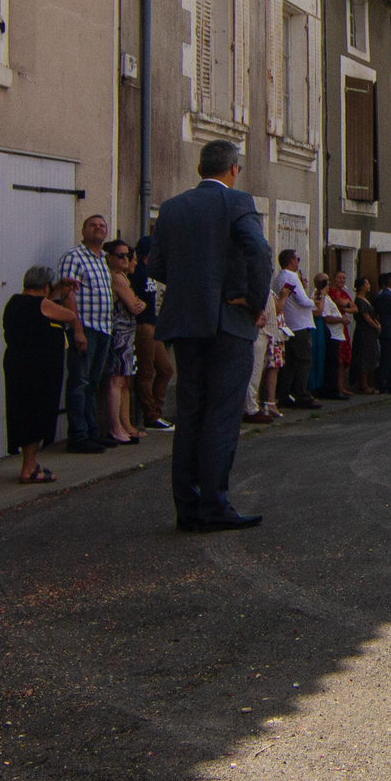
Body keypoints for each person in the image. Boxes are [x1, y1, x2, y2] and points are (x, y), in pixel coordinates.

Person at [152, 138, 273, 530]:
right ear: (233, 169)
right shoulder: (237, 203)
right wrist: (254, 301)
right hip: (228, 323)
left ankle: (187, 508)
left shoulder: (171, 208)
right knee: (221, 417)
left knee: (190, 416)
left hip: (186, 324)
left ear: (199, 169)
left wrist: (190, 288)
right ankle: (215, 506)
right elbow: (258, 250)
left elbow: (155, 265)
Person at [2, 266, 73, 485]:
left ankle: (29, 463)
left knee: (21, 413)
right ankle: (29, 467)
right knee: (36, 414)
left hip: (16, 363)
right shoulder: (42, 304)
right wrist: (66, 292)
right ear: (45, 287)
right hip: (38, 367)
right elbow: (70, 315)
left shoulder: (13, 302)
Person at [56, 214, 116, 452]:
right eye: (93, 225)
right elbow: (67, 294)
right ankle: (78, 436)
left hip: (103, 328)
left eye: (102, 226)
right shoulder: (74, 257)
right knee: (79, 382)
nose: (98, 229)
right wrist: (77, 330)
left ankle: (92, 432)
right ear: (83, 231)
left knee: (92, 383)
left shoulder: (103, 259)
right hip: (86, 328)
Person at [129, 236, 173, 432]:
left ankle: (156, 409)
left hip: (153, 323)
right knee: (146, 371)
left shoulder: (151, 272)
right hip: (142, 325)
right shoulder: (138, 272)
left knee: (165, 369)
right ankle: (151, 415)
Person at [104, 238, 146, 442]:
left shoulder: (123, 278)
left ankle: (125, 424)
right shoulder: (117, 278)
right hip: (119, 333)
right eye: (122, 256)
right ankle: (116, 427)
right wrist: (138, 302)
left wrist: (139, 303)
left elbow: (140, 304)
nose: (128, 261)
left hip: (127, 334)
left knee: (125, 380)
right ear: (110, 258)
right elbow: (134, 305)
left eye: (127, 256)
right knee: (117, 379)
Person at [272, 249, 318, 409]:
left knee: (290, 363)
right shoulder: (291, 276)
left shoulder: (278, 278)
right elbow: (303, 300)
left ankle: (283, 393)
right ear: (291, 261)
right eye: (297, 259)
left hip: (288, 324)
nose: (298, 262)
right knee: (304, 361)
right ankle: (301, 394)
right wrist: (315, 301)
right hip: (299, 324)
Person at [319, 273, 351, 397]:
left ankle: (337, 388)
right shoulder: (323, 297)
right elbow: (326, 317)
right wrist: (341, 320)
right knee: (332, 363)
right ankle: (332, 389)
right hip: (331, 334)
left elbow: (352, 306)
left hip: (338, 334)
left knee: (337, 361)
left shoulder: (326, 297)